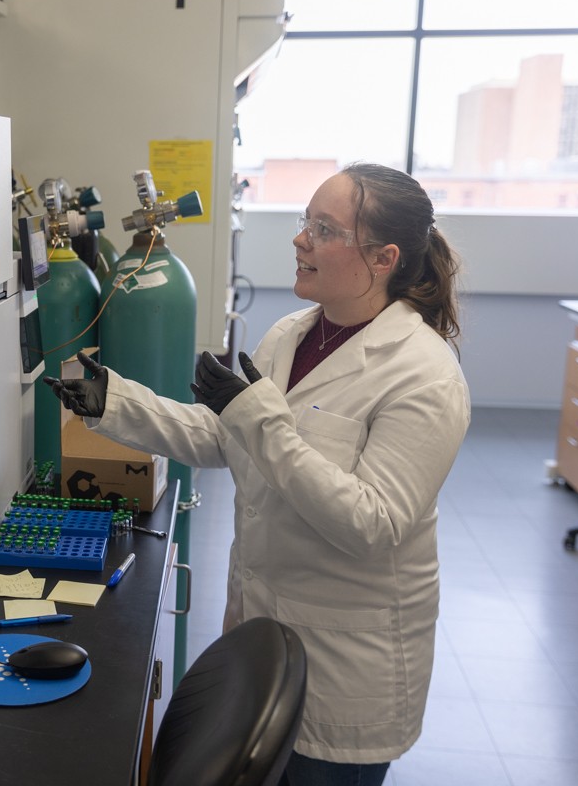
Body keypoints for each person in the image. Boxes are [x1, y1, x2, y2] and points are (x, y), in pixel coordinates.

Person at [46, 162, 470, 786]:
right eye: (306, 222)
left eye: (324, 229)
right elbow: (225, 437)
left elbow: (372, 524)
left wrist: (260, 418)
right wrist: (114, 402)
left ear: (382, 258)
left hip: (344, 664)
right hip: (261, 631)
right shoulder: (290, 336)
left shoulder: (424, 376)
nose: (301, 239)